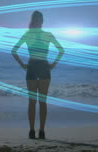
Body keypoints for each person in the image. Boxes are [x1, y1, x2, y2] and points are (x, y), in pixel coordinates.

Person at [11, 11, 65, 139]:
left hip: (35, 67)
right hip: (41, 67)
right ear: (39, 21)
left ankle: (38, 130)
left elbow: (14, 51)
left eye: (39, 20)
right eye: (38, 20)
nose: (38, 22)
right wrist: (52, 65)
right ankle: (35, 130)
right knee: (36, 102)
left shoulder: (30, 35)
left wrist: (23, 65)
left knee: (38, 102)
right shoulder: (44, 35)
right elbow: (61, 50)